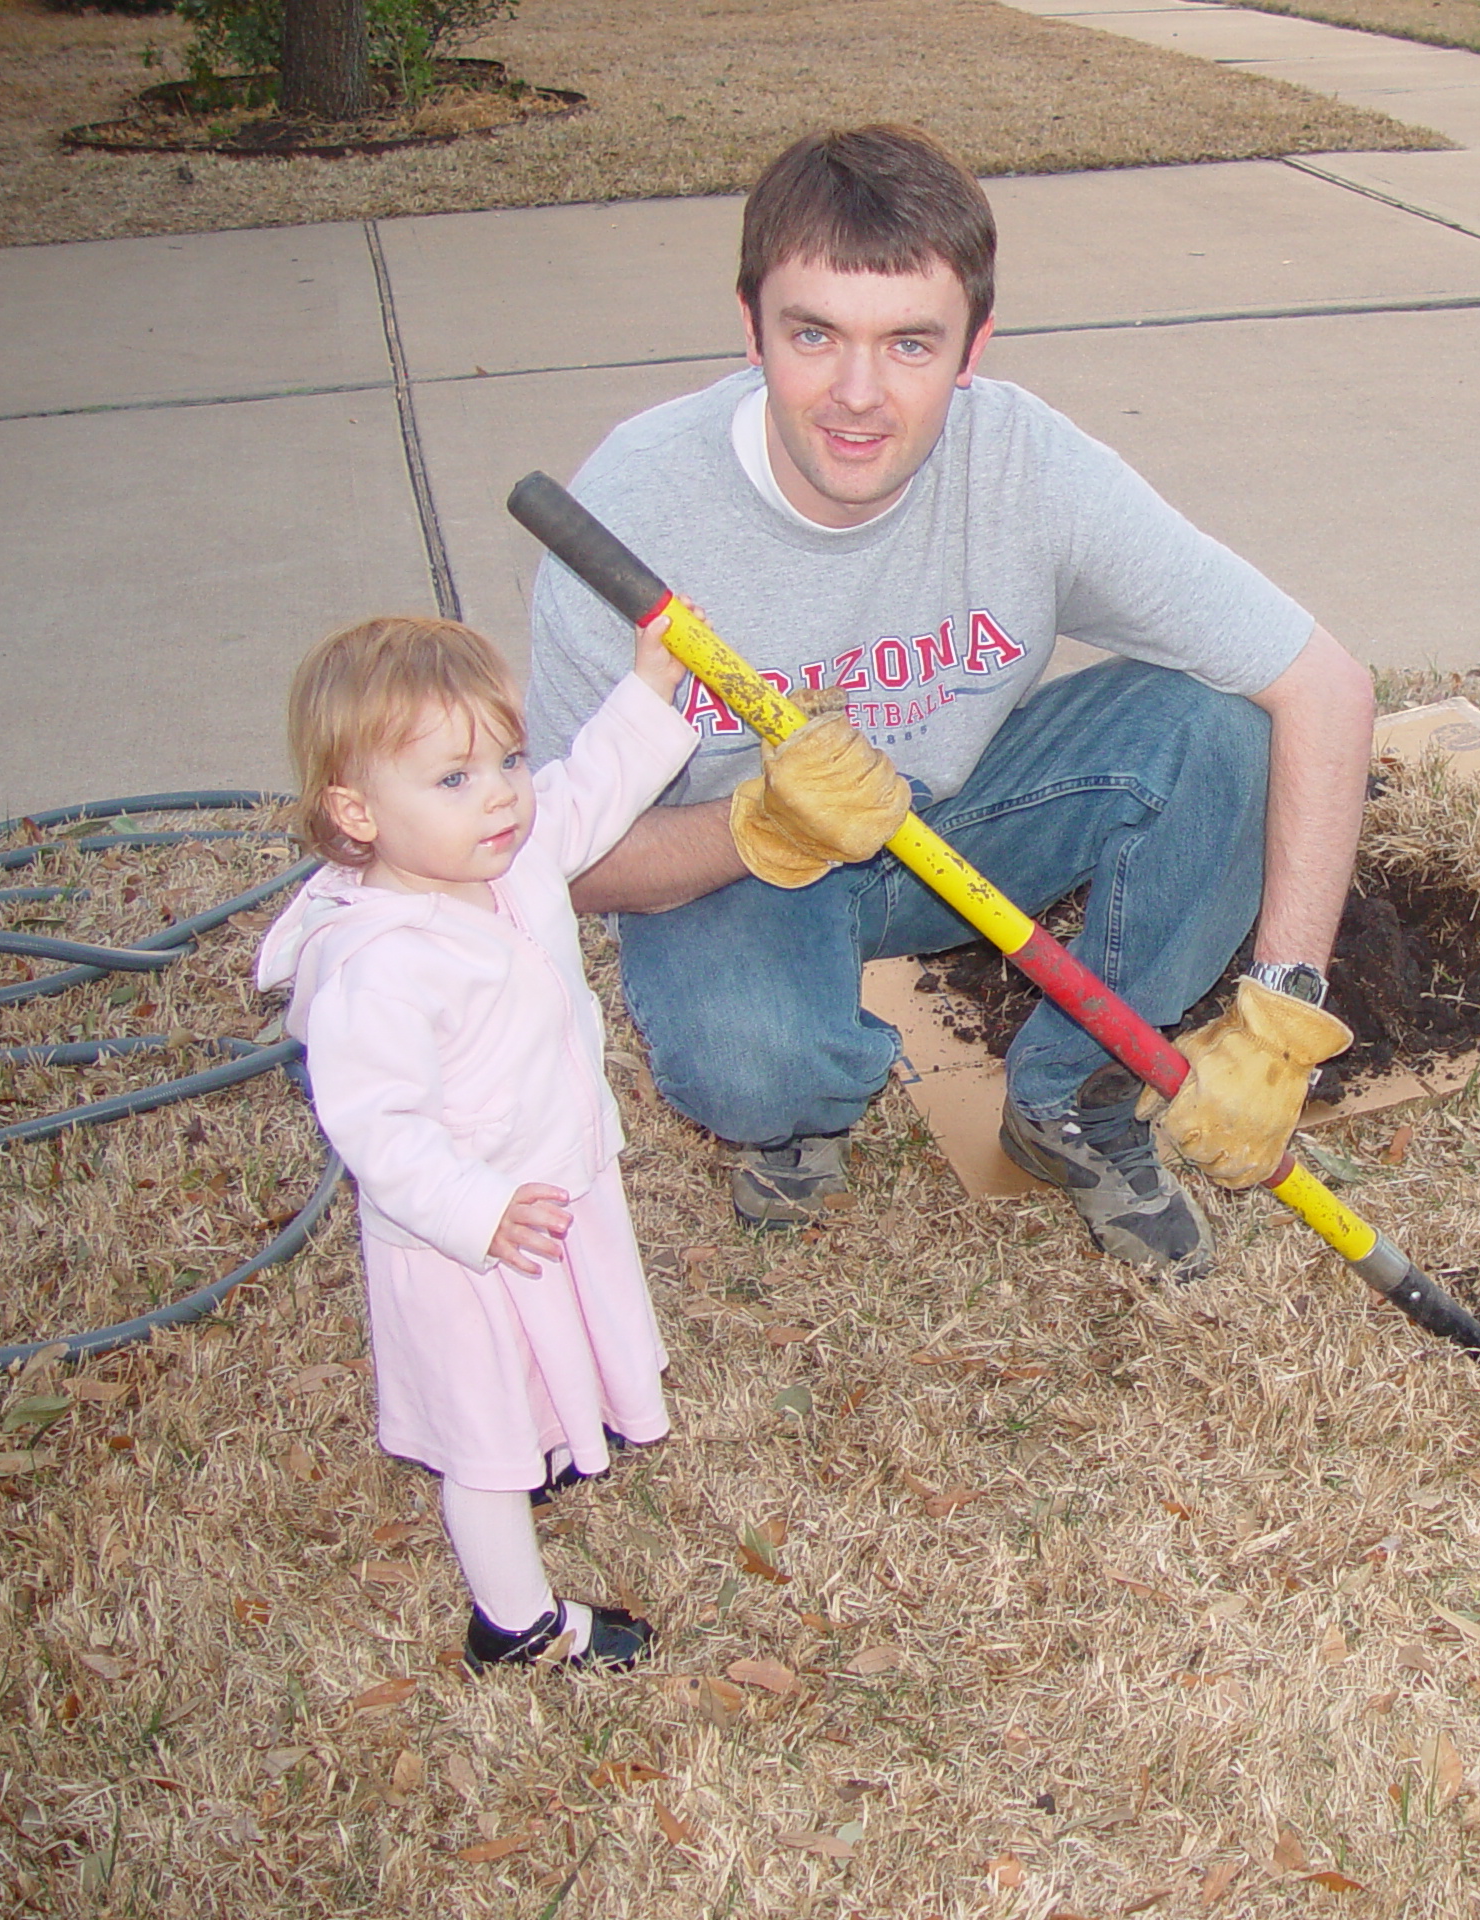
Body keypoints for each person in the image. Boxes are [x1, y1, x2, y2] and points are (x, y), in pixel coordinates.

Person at [527, 124, 1375, 1278]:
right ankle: (798, 1116)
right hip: (738, 868)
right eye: (814, 335)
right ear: (749, 326)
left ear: (974, 345)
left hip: (958, 823)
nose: (858, 396)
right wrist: (757, 827)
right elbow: (560, 859)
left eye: (910, 344)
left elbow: (1323, 683)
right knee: (757, 1066)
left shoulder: (1030, 471)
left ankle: (1075, 1094)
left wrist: (1282, 1016)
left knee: (1227, 729)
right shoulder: (636, 506)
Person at [256, 615, 697, 1670]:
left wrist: (648, 686)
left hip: (544, 1196)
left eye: (504, 759)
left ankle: (549, 1439)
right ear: (356, 813)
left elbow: (588, 786)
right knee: (482, 1443)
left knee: (538, 1375)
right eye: (452, 780)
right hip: (464, 1246)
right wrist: (477, 1212)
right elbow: (378, 1128)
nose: (501, 793)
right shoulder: (384, 967)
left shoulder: (511, 859)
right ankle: (516, 1622)